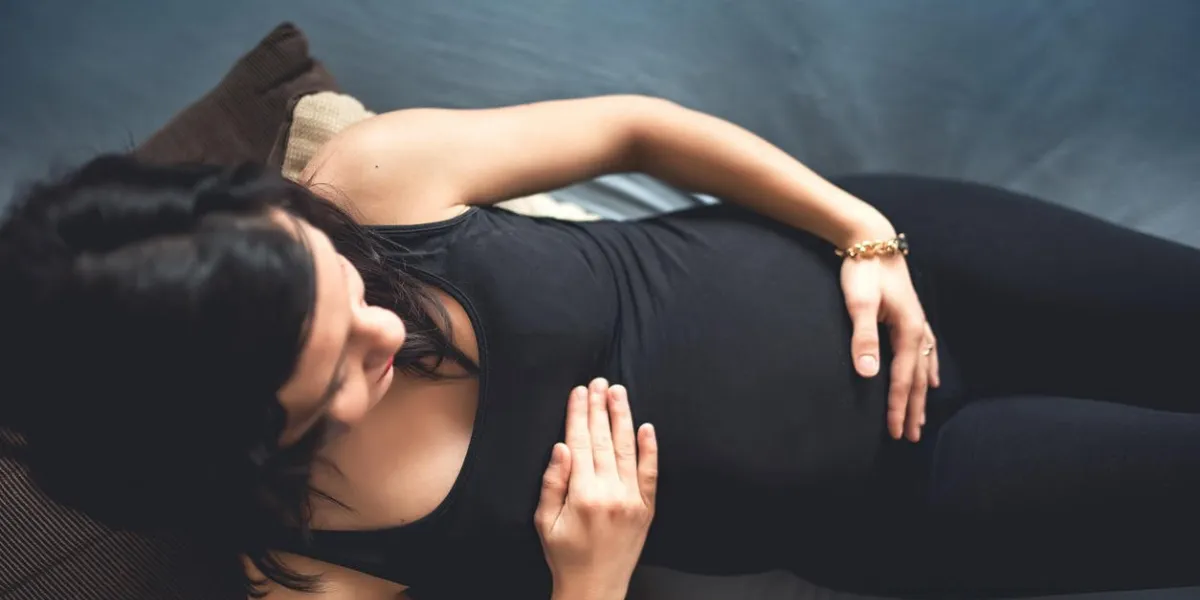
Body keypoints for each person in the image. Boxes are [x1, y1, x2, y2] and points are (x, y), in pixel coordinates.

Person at [1, 95, 1198, 600]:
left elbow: (636, 128)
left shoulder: (371, 180)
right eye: (339, 371)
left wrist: (862, 234)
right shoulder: (309, 562)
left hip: (916, 265)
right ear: (239, 445)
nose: (387, 326)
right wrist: (591, 581)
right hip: (912, 496)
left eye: (346, 282)